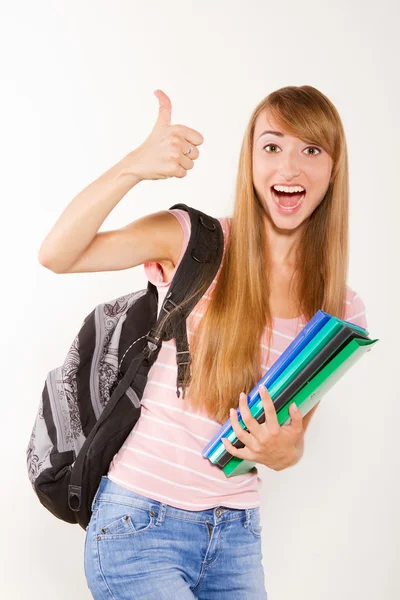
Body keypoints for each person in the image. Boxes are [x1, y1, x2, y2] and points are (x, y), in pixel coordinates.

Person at [38, 86, 368, 599]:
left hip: (237, 536)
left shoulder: (339, 309)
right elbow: (58, 254)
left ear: (333, 168)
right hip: (137, 527)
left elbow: (293, 438)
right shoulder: (195, 239)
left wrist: (284, 450)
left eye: (312, 150)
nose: (290, 168)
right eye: (273, 146)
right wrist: (133, 167)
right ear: (251, 159)